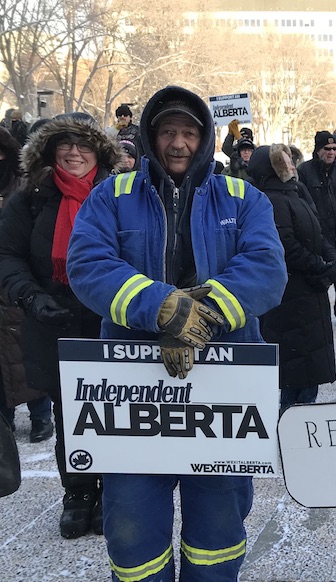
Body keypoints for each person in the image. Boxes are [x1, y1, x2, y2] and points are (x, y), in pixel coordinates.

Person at [66, 85, 285, 580]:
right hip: (131, 391)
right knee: (131, 527)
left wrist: (196, 316)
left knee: (219, 528)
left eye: (189, 132)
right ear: (150, 136)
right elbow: (88, 265)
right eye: (168, 132)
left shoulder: (243, 196)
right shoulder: (111, 196)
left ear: (206, 138)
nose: (179, 143)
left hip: (223, 392)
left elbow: (267, 270)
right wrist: (160, 307)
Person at [0, 112, 119, 538]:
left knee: (116, 410)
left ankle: (114, 491)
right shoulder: (31, 197)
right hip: (52, 322)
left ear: (99, 152)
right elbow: (7, 255)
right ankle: (80, 492)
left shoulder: (120, 194)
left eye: (83, 144)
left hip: (111, 323)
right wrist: (31, 296)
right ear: (51, 151)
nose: (73, 152)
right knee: (72, 414)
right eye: (64, 144)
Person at [250, 144, 336, 413]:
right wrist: (319, 266)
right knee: (295, 374)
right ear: (272, 167)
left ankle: (299, 420)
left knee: (309, 373)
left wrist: (331, 260)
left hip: (310, 296)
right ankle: (289, 424)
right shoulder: (272, 200)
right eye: (284, 161)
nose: (290, 165)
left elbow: (317, 233)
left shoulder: (295, 193)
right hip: (291, 299)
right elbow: (286, 245)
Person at [0, 124, 54, 444]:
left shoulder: (23, 189)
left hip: (18, 285)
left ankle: (40, 415)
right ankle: (4, 420)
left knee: (25, 356)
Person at [297, 131, 336, 327]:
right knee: (317, 274)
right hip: (317, 232)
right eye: (326, 149)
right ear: (317, 150)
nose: (331, 152)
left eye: (334, 149)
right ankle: (315, 313)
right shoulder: (304, 171)